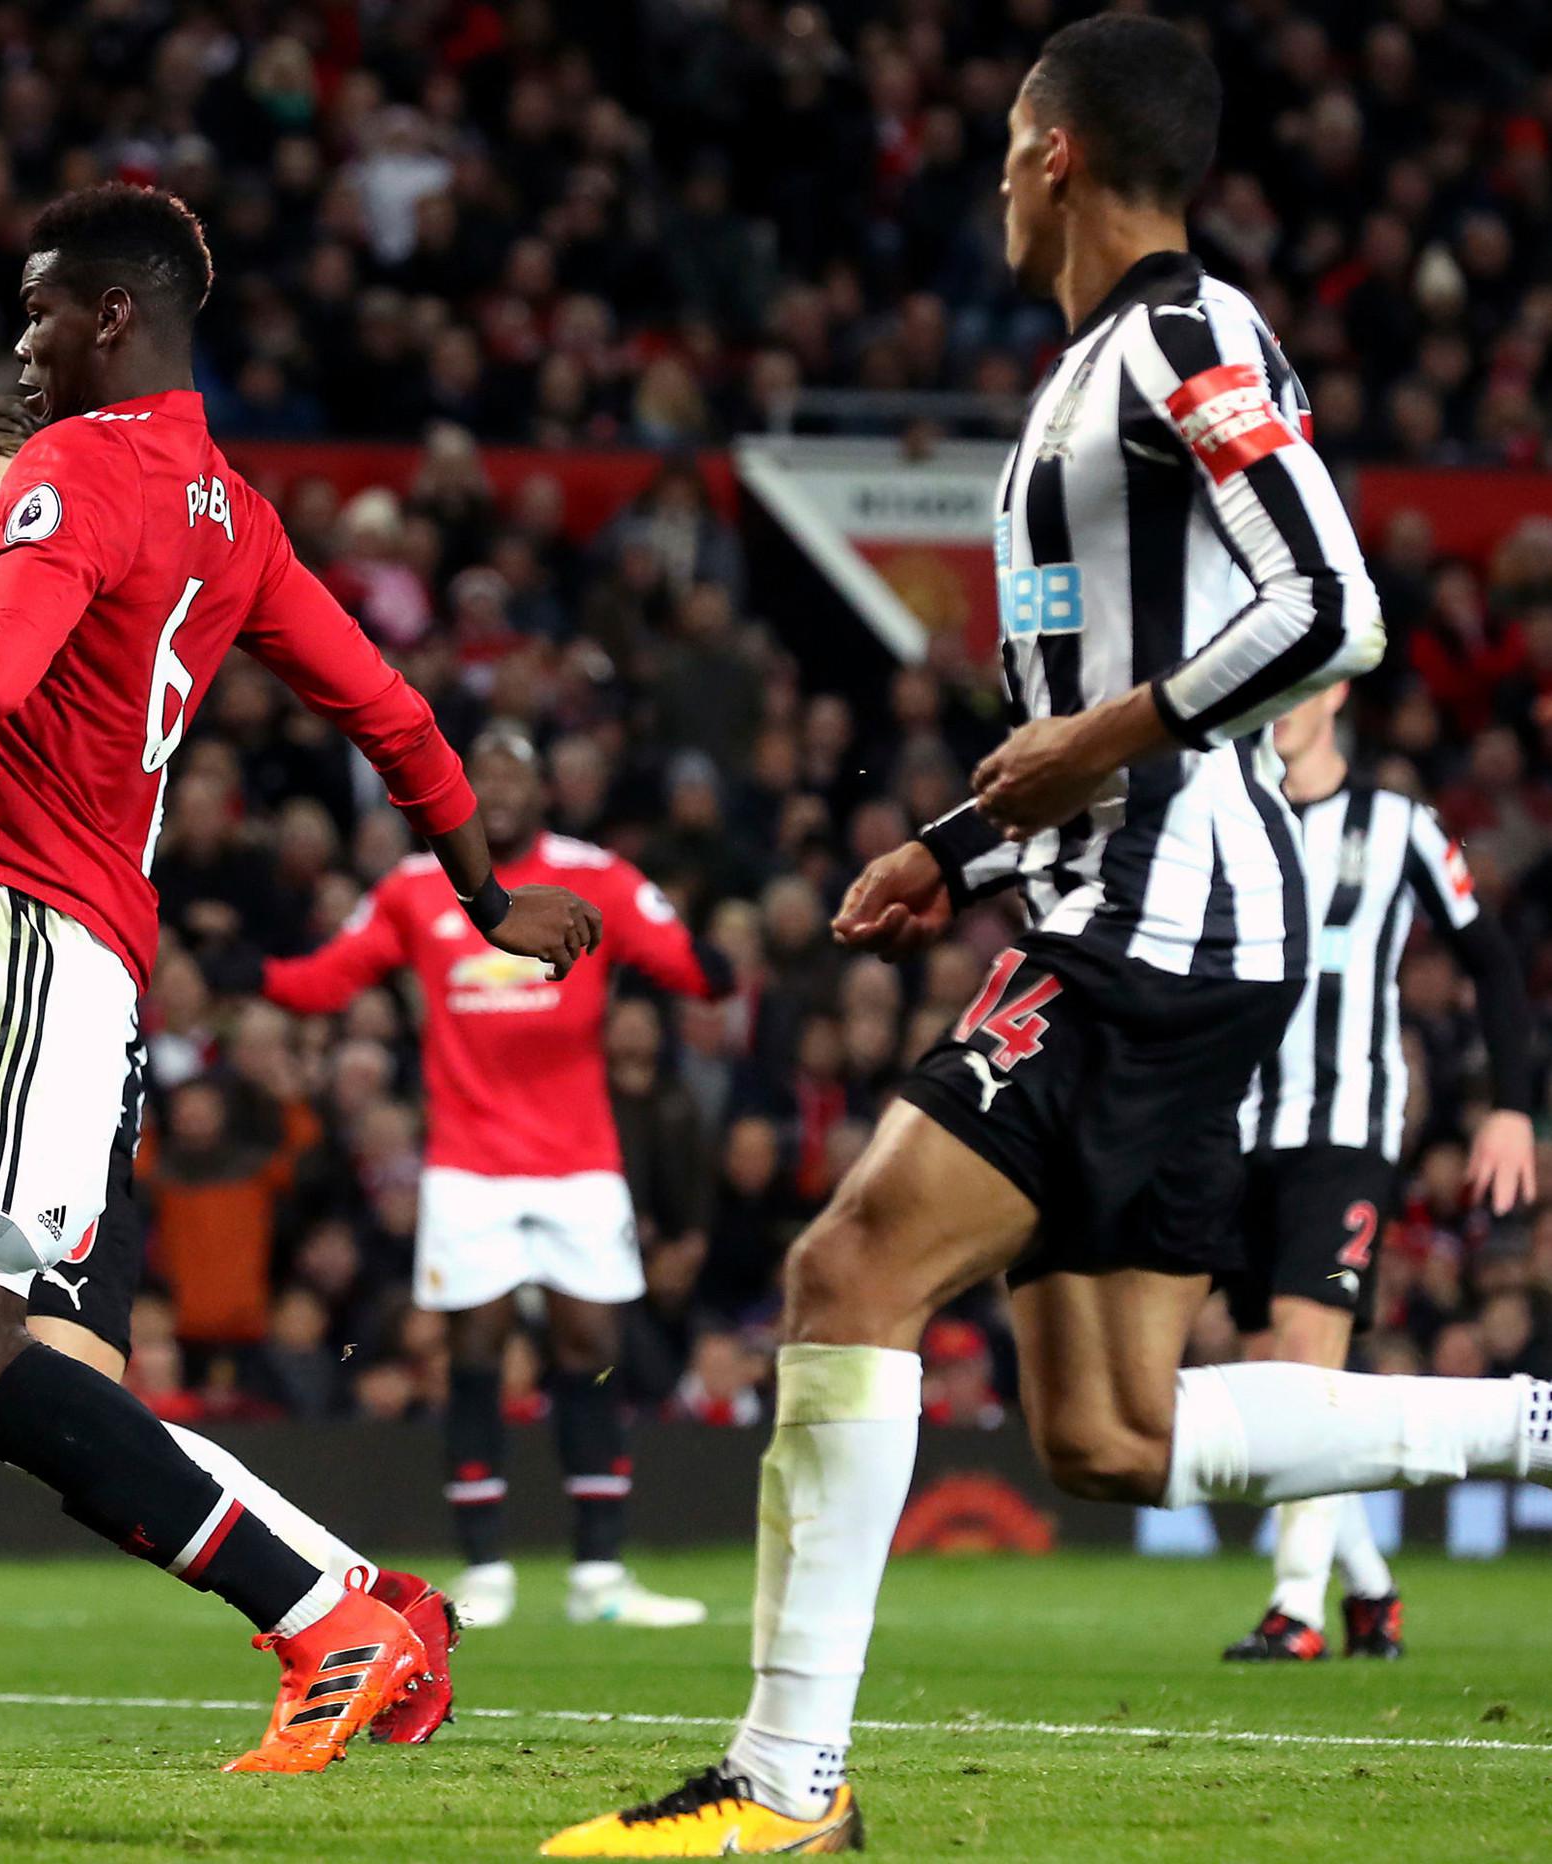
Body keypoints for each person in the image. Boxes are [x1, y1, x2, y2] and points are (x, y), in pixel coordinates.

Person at [549, 21, 1537, 1855]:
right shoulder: (1091, 367)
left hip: (1156, 910)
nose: (991, 184)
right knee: (1104, 1436)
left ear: (1052, 151)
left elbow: (1332, 605)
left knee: (844, 1272)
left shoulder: (1181, 333)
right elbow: (1082, 704)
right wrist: (951, 837)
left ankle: (779, 1789)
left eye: (1004, 151)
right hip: (1114, 892)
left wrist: (1101, 736)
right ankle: (1536, 1424)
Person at [0, 184, 599, 1774]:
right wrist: (484, 890)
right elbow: (392, 713)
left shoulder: (80, 464)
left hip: (19, 938)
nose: (19, 347)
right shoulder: (231, 506)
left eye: (36, 311)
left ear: (109, 316)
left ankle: (321, 1604)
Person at [256, 727, 728, 1631]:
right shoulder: (412, 887)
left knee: (593, 1353)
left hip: (579, 1161)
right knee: (473, 1358)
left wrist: (713, 965)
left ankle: (600, 1576)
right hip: (467, 1166)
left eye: (516, 772)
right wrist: (249, 972)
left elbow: (688, 966)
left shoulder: (599, 877)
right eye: (484, 776)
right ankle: (489, 1573)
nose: (500, 788)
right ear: (463, 794)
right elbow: (324, 981)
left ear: (545, 790)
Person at [1221, 682, 1534, 1663]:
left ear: (1338, 690)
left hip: (1345, 1127)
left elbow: (1490, 958)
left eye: (1295, 680)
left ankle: (1294, 1609)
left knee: (1307, 1359)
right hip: (1230, 1132)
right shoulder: (1225, 813)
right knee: (1273, 1380)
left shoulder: (1396, 824)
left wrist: (1512, 1106)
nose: (1274, 700)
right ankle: (1370, 1588)